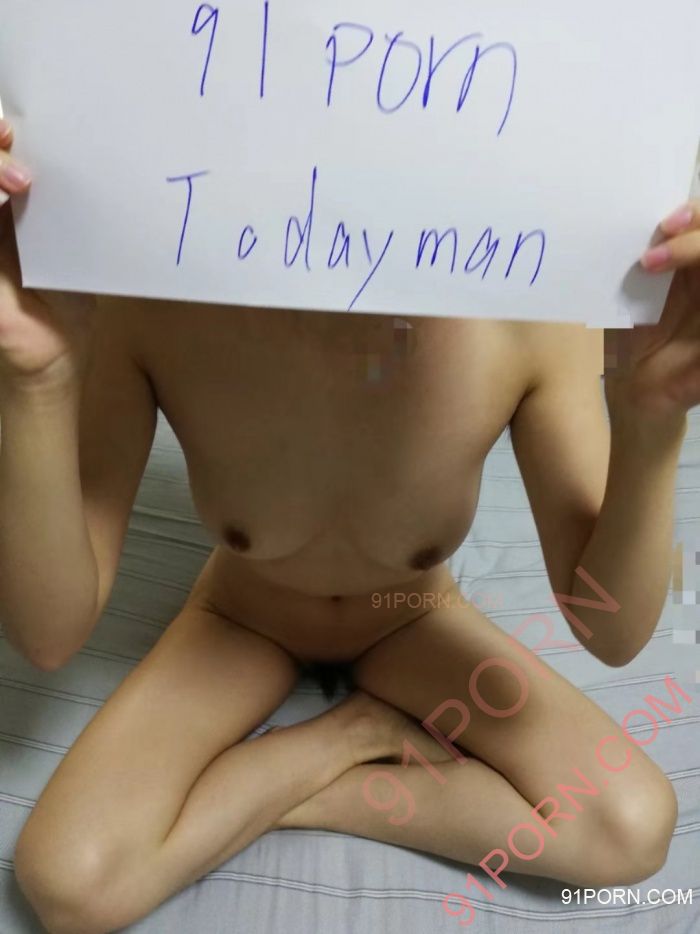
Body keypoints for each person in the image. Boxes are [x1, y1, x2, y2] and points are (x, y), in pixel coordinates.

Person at [0, 114, 698, 934]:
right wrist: (34, 384)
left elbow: (611, 632)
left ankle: (301, 790)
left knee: (629, 828)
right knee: (68, 885)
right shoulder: (151, 306)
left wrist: (651, 425)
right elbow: (49, 636)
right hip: (243, 616)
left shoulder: (530, 324)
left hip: (409, 618)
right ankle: (348, 735)